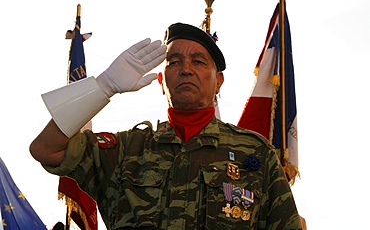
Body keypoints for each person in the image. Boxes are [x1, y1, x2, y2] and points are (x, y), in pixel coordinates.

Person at [30, 23, 302, 229]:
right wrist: (103, 86)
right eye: (174, 62)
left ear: (219, 81)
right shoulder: (124, 151)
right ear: (161, 81)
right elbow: (46, 149)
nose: (186, 69)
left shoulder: (255, 153)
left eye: (198, 61)